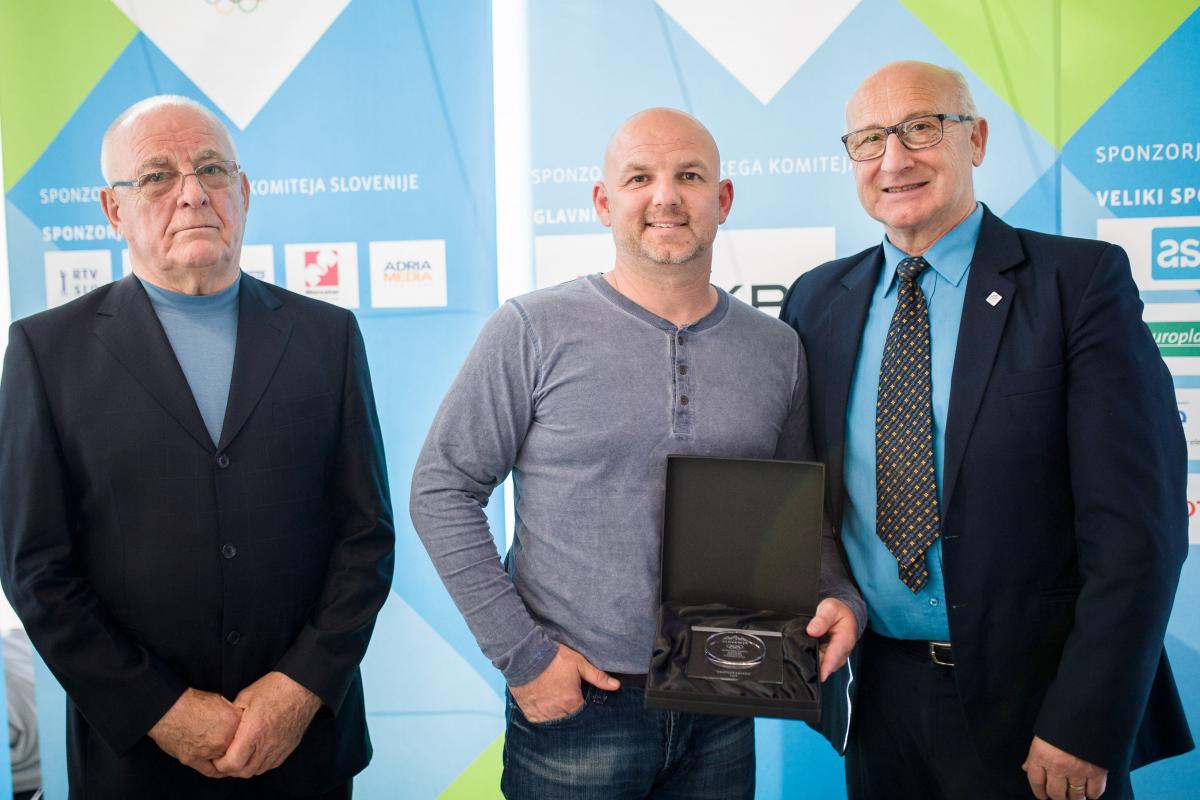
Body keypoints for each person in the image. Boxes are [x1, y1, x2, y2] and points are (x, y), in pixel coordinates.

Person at [410, 107, 864, 799]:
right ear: (603, 202)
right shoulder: (531, 329)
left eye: (690, 176)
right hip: (579, 704)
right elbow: (442, 490)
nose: (666, 197)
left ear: (724, 200)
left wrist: (838, 594)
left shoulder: (777, 350)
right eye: (639, 178)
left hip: (726, 700)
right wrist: (525, 658)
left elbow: (801, 516)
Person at [780, 61, 1193, 800]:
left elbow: (1141, 530)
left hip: (1039, 707)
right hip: (876, 701)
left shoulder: (1078, 283)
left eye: (920, 128)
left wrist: (1085, 721)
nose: (893, 159)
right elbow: (806, 497)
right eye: (869, 139)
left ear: (975, 139)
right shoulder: (817, 300)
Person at [0, 95, 395, 799]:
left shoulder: (327, 337)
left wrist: (299, 689)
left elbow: (366, 537)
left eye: (212, 169)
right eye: (157, 175)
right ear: (113, 209)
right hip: (136, 762)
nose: (192, 194)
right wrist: (162, 711)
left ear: (243, 192)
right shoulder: (45, 352)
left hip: (302, 751)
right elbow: (36, 569)